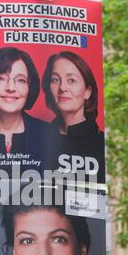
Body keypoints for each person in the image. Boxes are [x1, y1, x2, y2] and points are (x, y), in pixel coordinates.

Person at [0, 47, 59, 178]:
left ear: (29, 87)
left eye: (21, 80)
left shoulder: (51, 133)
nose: (11, 88)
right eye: (1, 78)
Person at [42, 51, 105, 183]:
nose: (62, 88)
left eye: (71, 80)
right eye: (55, 80)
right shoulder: (37, 137)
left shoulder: (101, 144)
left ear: (87, 91)